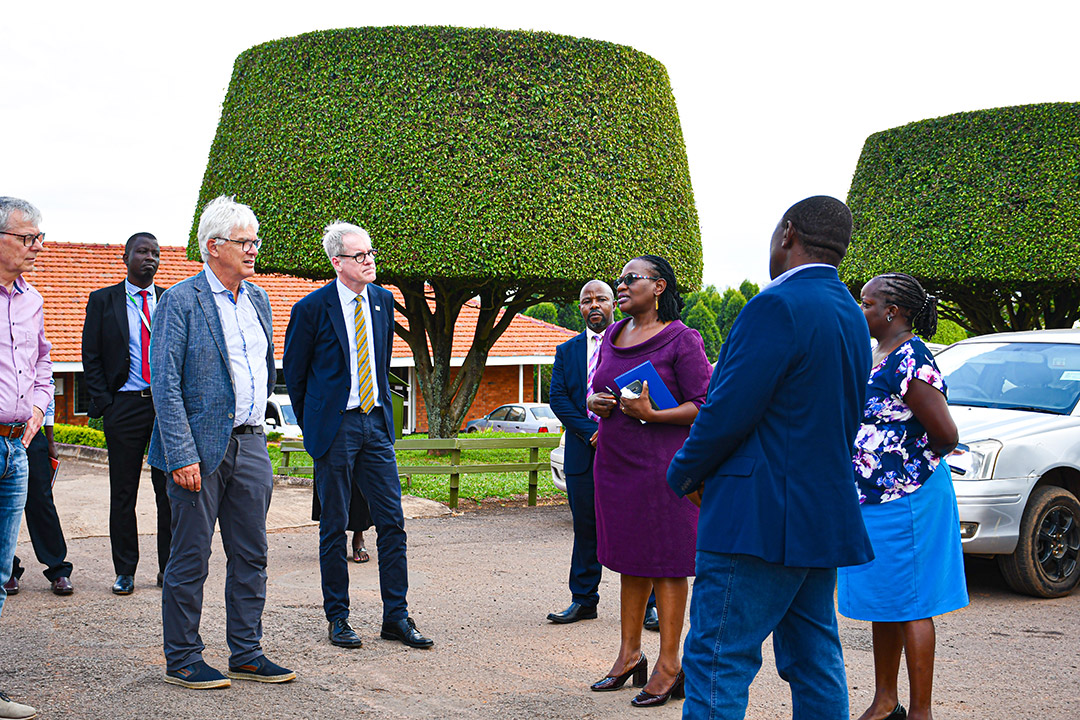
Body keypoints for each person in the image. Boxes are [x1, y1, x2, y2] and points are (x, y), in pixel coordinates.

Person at [667, 196, 874, 720]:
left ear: (787, 234)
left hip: (757, 514)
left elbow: (728, 408)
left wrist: (683, 470)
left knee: (718, 657)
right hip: (819, 510)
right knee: (814, 656)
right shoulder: (850, 312)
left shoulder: (775, 306)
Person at [148, 196, 294, 689]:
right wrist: (182, 454)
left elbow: (261, 370)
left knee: (252, 553)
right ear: (214, 247)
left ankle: (246, 652)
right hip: (198, 449)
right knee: (191, 555)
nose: (254, 250)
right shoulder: (181, 300)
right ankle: (183, 658)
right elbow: (164, 383)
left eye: (255, 241)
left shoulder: (258, 299)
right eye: (244, 242)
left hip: (251, 443)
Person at [283, 221, 432, 651]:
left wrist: (380, 411)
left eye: (370, 253)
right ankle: (339, 618)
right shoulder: (311, 309)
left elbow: (380, 362)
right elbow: (295, 375)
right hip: (336, 428)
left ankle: (396, 618)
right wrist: (315, 429)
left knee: (392, 523)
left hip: (375, 423)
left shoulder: (384, 302)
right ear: (337, 262)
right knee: (333, 526)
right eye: (360, 256)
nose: (369, 261)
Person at [838, 273, 966, 720]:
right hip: (873, 497)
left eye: (866, 303)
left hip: (909, 498)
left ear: (892, 312)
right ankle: (885, 700)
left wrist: (901, 464)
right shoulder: (875, 354)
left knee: (912, 603)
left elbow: (946, 434)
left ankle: (921, 711)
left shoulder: (911, 356)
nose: (860, 309)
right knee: (884, 600)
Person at [585, 255, 712, 708]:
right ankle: (628, 655)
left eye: (630, 279)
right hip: (616, 464)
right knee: (630, 560)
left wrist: (655, 414)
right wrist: (597, 402)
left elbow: (704, 403)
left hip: (664, 468)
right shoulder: (614, 335)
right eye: (618, 280)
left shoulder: (682, 338)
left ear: (658, 287)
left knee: (667, 562)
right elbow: (599, 387)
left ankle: (670, 664)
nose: (620, 286)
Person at [546, 279, 659, 629]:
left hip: (627, 450)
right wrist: (591, 431)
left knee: (636, 526)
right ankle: (583, 600)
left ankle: (649, 605)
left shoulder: (633, 344)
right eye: (586, 300)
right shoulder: (567, 351)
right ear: (580, 308)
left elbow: (647, 390)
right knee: (586, 527)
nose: (593, 305)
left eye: (601, 299)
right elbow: (559, 399)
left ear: (614, 304)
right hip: (584, 451)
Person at [82, 232, 171, 594]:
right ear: (126, 257)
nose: (150, 258)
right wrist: (106, 404)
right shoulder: (103, 301)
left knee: (168, 491)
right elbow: (91, 357)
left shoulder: (169, 300)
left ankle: (170, 568)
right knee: (123, 492)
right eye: (142, 251)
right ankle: (125, 570)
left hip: (164, 408)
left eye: (155, 253)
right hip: (125, 406)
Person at [0, 195, 51, 720]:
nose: (37, 245)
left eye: (38, 237)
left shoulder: (33, 299)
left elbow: (42, 364)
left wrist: (37, 409)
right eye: (27, 237)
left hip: (17, 448)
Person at [7, 381, 74, 597]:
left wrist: (51, 439)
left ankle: (58, 568)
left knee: (41, 501)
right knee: (3, 505)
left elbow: (45, 388)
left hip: (29, 433)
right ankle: (7, 568)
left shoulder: (32, 347)